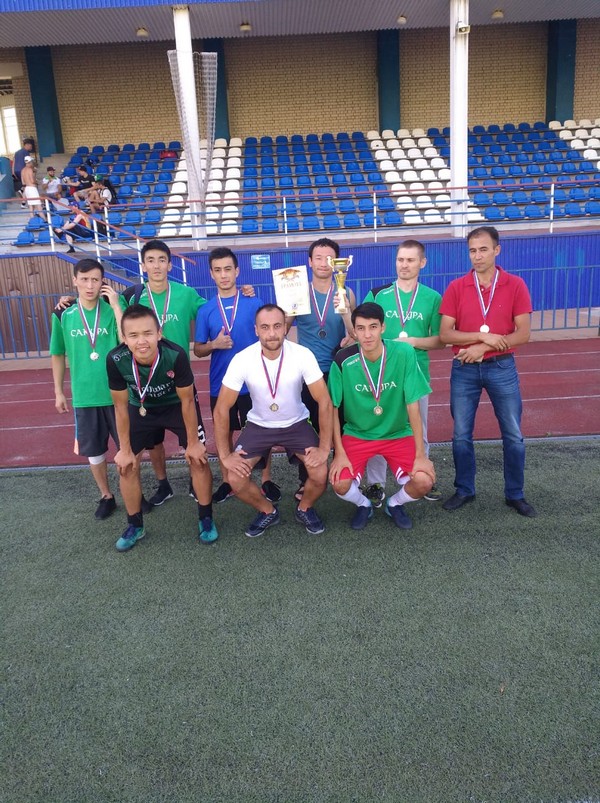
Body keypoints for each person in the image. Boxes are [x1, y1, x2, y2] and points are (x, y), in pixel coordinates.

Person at [439, 226, 536, 517]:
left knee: (513, 434)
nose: (477, 256)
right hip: (464, 367)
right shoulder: (457, 287)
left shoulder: (515, 284)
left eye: (483, 249)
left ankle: (515, 494)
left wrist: (483, 348)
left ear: (497, 250)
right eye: (472, 250)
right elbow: (445, 334)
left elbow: (523, 334)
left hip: (501, 367)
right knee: (461, 434)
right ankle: (464, 489)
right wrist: (483, 336)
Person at [213, 304, 333, 538]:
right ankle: (268, 510)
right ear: (256, 330)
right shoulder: (242, 359)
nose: (271, 333)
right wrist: (225, 456)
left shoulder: (302, 355)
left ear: (285, 327)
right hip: (259, 426)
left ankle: (304, 507)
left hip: (296, 424)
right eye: (265, 327)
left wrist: (324, 448)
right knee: (235, 478)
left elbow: (325, 402)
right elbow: (221, 409)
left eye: (277, 326)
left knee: (320, 473)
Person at [106, 304, 217, 551]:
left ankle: (206, 518)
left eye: (147, 333)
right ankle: (135, 525)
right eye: (133, 335)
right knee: (126, 465)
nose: (141, 341)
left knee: (198, 459)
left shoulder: (175, 355)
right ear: (124, 338)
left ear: (159, 333)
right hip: (140, 407)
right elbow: (120, 407)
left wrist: (193, 443)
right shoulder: (115, 359)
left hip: (176, 406)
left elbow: (187, 401)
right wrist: (124, 449)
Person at [328, 302, 435, 530]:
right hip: (358, 434)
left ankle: (394, 504)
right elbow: (332, 409)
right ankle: (364, 504)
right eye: (361, 328)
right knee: (340, 484)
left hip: (397, 433)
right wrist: (339, 453)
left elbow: (413, 406)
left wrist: (420, 454)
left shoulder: (404, 353)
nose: (367, 335)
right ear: (354, 331)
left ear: (383, 327)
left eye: (373, 327)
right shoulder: (342, 360)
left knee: (424, 481)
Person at [120, 239, 208, 506]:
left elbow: (212, 311)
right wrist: (69, 301)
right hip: (145, 384)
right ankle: (163, 484)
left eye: (162, 260)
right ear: (143, 265)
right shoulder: (132, 296)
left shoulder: (186, 294)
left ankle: (196, 483)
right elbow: (109, 314)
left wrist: (242, 293)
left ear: (170, 265)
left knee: (193, 439)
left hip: (179, 381)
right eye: (151, 260)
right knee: (153, 443)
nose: (156, 265)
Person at [193, 247, 280, 505]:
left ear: (237, 271)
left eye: (228, 269)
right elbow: (198, 349)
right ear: (211, 274)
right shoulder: (206, 310)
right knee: (224, 432)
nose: (223, 275)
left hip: (254, 382)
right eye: (218, 270)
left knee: (261, 430)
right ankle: (227, 480)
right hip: (221, 384)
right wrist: (214, 345)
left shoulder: (254, 303)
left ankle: (265, 479)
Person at [362, 239, 444, 505]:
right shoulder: (378, 295)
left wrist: (414, 342)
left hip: (415, 376)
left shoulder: (432, 297)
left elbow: (441, 340)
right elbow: (361, 330)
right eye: (400, 259)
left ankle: (422, 474)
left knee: (419, 429)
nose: (404, 265)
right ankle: (375, 484)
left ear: (422, 263)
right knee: (377, 429)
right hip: (381, 376)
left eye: (410, 260)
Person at [50, 258, 124, 520]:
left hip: (117, 394)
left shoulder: (113, 308)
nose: (90, 285)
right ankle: (107, 496)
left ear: (103, 281)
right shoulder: (63, 314)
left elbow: (125, 340)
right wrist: (59, 391)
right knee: (94, 452)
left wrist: (116, 305)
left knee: (128, 450)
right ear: (75, 281)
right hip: (84, 396)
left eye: (95, 279)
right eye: (84, 279)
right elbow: (57, 354)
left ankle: (133, 493)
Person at [285, 237, 355, 502]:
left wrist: (346, 315)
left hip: (339, 370)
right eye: (318, 258)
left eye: (330, 258)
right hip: (307, 373)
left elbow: (354, 334)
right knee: (308, 428)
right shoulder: (297, 292)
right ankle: (307, 479)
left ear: (337, 263)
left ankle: (342, 473)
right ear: (309, 262)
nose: (324, 263)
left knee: (343, 424)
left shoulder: (346, 292)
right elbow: (282, 328)